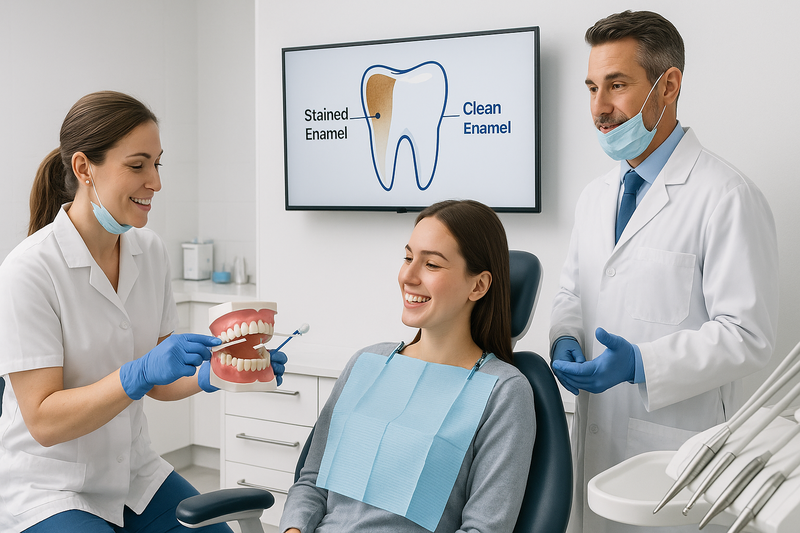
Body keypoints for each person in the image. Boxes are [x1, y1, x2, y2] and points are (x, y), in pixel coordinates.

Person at [0, 91, 286, 533]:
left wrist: (218, 371)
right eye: (137, 165)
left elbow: (160, 381)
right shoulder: (30, 269)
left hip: (135, 475)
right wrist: (137, 373)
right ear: (84, 168)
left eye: (157, 163)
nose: (155, 182)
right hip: (50, 487)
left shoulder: (149, 250)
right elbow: (43, 421)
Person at [549, 10, 779, 533]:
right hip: (594, 453)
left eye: (617, 85)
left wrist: (642, 364)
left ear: (668, 85)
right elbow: (571, 292)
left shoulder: (727, 197)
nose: (599, 109)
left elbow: (748, 337)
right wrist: (564, 336)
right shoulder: (594, 197)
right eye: (592, 88)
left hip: (674, 466)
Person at [279, 200, 535, 533]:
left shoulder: (502, 391)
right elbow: (312, 481)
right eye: (408, 258)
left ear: (478, 286)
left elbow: (483, 528)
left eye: (431, 264)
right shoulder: (367, 363)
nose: (408, 276)